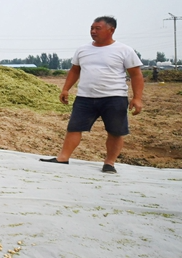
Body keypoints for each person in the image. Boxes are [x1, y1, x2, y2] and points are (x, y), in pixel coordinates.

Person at [40, 16, 143, 173]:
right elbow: (75, 70)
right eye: (91, 28)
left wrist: (137, 98)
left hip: (114, 97)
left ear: (111, 30)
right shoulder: (83, 49)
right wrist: (66, 88)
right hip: (85, 97)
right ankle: (63, 158)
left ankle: (109, 163)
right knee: (74, 128)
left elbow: (136, 75)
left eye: (97, 28)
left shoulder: (124, 50)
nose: (93, 32)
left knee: (115, 131)